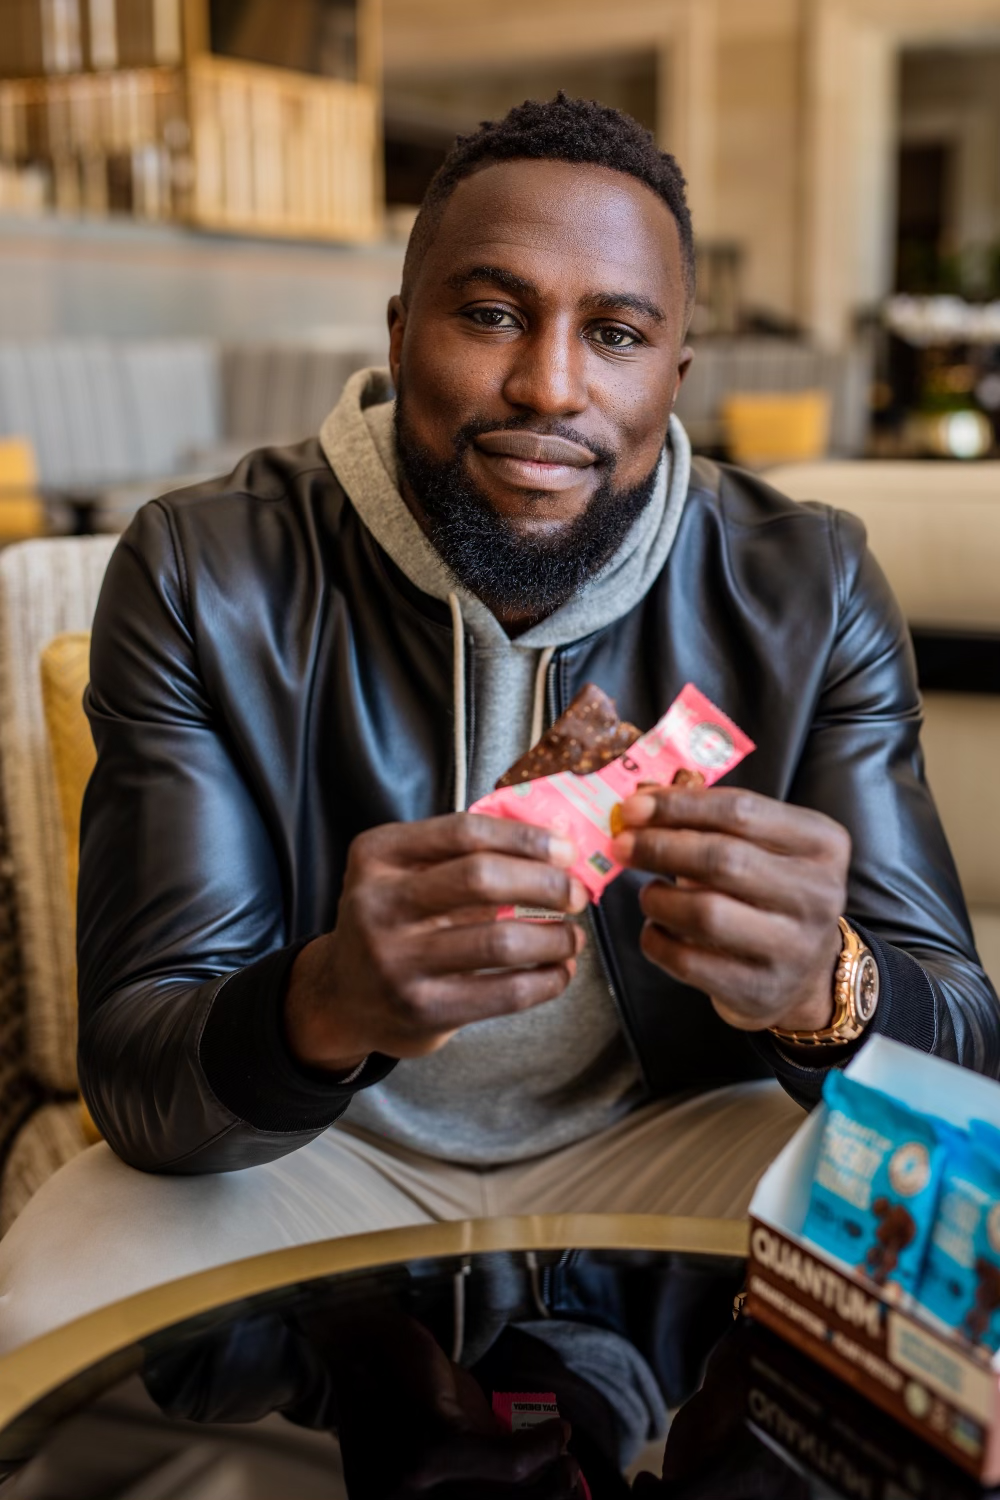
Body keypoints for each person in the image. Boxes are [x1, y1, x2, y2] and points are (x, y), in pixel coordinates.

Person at [0, 95, 995, 1350]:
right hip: (315, 1150)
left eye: (616, 334)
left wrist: (822, 985)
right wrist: (324, 1003)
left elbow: (963, 1056)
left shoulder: (811, 586)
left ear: (675, 377)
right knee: (47, 1303)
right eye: (489, 315)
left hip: (681, 1131)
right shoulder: (207, 570)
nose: (549, 386)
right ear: (400, 331)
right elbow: (141, 1075)